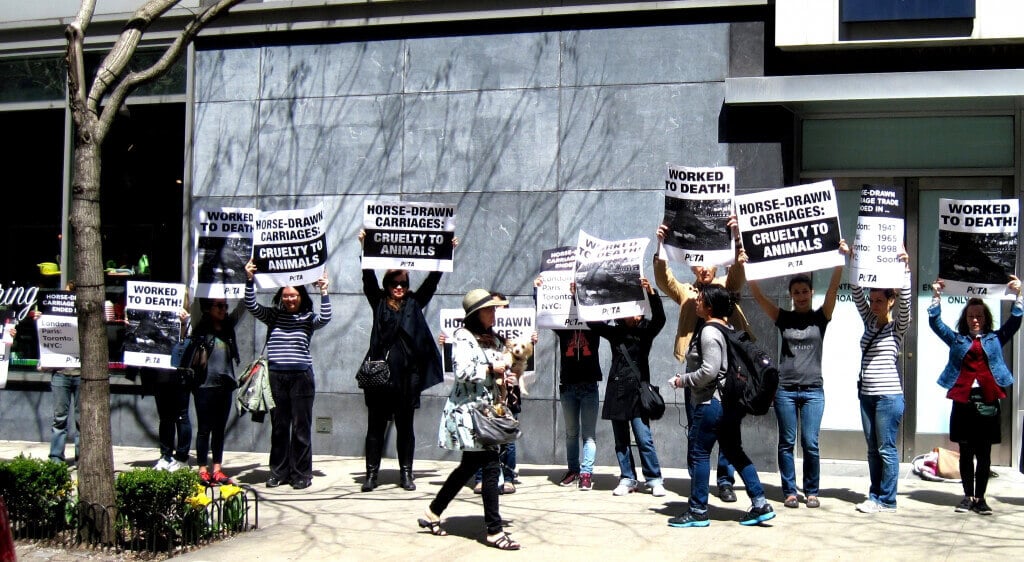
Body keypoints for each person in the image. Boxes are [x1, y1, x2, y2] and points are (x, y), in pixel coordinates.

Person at [654, 219, 751, 503]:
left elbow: (738, 274)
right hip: (695, 373)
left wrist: (736, 237)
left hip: (726, 373)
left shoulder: (725, 288)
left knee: (728, 428)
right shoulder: (688, 293)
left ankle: (725, 480)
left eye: (709, 263)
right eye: (698, 264)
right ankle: (697, 481)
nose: (704, 269)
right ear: (693, 266)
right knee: (696, 427)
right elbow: (664, 280)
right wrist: (661, 244)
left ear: (718, 265)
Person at [747, 241, 848, 509]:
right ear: (791, 295)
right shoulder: (783, 318)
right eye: (796, 292)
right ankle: (790, 491)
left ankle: (812, 490)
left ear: (811, 292)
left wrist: (840, 260)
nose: (801, 295)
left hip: (814, 390)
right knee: (787, 443)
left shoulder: (821, 317)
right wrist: (748, 267)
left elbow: (834, 290)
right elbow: (758, 298)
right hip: (786, 390)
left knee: (810, 443)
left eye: (805, 291)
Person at [418, 289, 520, 550]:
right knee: (490, 465)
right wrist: (490, 369)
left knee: (467, 467)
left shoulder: (495, 340)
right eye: (489, 310)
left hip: (488, 412)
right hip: (468, 414)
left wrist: (507, 377)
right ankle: (494, 531)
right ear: (476, 313)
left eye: (495, 309)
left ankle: (432, 513)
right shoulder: (463, 337)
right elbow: (461, 371)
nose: (494, 313)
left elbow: (502, 366)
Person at [668, 284, 776, 527]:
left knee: (699, 453)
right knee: (735, 451)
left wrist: (681, 381)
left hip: (711, 403)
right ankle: (760, 504)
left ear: (709, 306)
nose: (696, 301)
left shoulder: (709, 331)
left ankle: (697, 510)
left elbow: (710, 370)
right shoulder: (727, 328)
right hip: (728, 404)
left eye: (700, 299)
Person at [358, 230, 449, 492]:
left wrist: (443, 254)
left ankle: (406, 474)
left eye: (404, 283)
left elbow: (431, 283)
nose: (399, 287)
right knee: (374, 427)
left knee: (405, 428)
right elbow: (367, 278)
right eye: (394, 283)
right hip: (379, 376)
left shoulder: (413, 303)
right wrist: (365, 247)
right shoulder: (378, 302)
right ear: (387, 285)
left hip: (407, 377)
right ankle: (371, 474)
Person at [928, 275, 1022, 515]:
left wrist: (1019, 295)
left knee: (984, 453)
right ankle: (967, 496)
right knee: (966, 452)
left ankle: (981, 498)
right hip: (963, 401)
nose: (975, 320)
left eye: (979, 316)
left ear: (985, 318)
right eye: (971, 316)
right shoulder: (957, 339)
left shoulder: (995, 338)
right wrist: (937, 295)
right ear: (966, 319)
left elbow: (1014, 322)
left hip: (988, 400)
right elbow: (936, 324)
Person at [244, 260, 331, 490]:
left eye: (294, 296)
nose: (290, 299)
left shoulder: (307, 318)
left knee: (301, 428)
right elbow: (251, 305)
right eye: (286, 296)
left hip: (301, 378)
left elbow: (325, 319)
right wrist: (249, 279)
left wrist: (324, 291)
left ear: (301, 296)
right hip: (276, 377)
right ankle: (278, 472)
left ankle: (301, 473)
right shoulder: (272, 316)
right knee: (280, 427)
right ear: (280, 297)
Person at [586, 277, 666, 497]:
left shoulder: (645, 331)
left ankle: (654, 478)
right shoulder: (615, 331)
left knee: (644, 438)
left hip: (639, 393)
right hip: (617, 392)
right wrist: (581, 296)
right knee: (621, 440)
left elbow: (660, 319)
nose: (638, 313)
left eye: (640, 309)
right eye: (633, 309)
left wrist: (652, 294)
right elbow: (593, 323)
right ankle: (627, 477)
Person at [851, 248, 911, 514]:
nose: (874, 305)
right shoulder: (869, 323)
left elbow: (907, 303)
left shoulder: (896, 327)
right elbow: (855, 292)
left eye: (879, 300)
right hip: (866, 395)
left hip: (888, 396)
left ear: (890, 301)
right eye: (872, 300)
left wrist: (906, 269)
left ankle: (887, 499)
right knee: (872, 450)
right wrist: (853, 260)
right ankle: (874, 495)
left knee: (885, 448)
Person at [535, 276, 603, 490]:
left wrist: (579, 295)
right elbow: (546, 311)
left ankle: (586, 473)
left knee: (589, 434)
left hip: (589, 384)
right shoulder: (563, 327)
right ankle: (573, 469)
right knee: (571, 432)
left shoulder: (595, 326)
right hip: (568, 385)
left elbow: (603, 314)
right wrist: (537, 291)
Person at [190, 297, 242, 486]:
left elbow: (242, 308)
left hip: (225, 386)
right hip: (204, 386)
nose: (223, 309)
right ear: (208, 308)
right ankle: (202, 469)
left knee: (219, 430)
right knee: (204, 429)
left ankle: (217, 469)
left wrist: (249, 281)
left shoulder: (228, 328)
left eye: (225, 306)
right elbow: (192, 305)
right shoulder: (200, 329)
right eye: (219, 306)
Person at [30, 282, 81, 465]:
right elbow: (50, 340)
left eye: (69, 294)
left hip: (81, 374)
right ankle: (56, 459)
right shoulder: (54, 313)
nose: (66, 297)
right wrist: (41, 321)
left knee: (81, 420)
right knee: (59, 418)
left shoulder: (84, 317)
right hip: (60, 373)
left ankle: (81, 458)